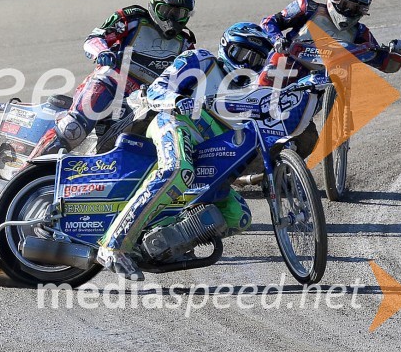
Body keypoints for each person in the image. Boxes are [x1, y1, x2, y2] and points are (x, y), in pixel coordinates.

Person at [96, 22, 273, 280]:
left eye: (255, 59)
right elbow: (157, 89)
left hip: (208, 155)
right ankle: (113, 245)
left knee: (239, 217)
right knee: (178, 169)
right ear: (226, 47)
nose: (246, 63)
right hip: (174, 123)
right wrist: (178, 100)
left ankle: (159, 243)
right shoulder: (201, 60)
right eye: (242, 54)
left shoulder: (254, 92)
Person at [30, 0, 197, 158]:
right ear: (153, 6)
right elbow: (94, 38)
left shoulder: (186, 43)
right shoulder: (132, 19)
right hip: (109, 84)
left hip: (145, 101)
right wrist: (102, 52)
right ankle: (25, 172)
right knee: (73, 129)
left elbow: (192, 76)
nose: (172, 19)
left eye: (180, 13)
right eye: (166, 11)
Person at [258, 0, 401, 157]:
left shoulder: (361, 33)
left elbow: (385, 63)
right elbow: (270, 21)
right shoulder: (307, 7)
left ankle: (280, 168)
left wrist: (397, 52)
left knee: (307, 142)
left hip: (318, 84)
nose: (349, 12)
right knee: (273, 74)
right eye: (345, 5)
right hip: (286, 66)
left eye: (356, 8)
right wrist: (277, 39)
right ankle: (249, 113)